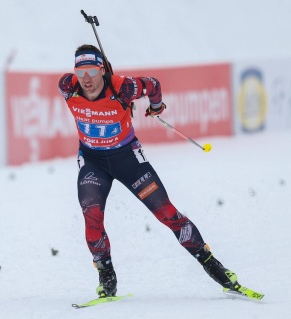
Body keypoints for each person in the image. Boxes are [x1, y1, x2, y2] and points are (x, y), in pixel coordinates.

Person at [58, 44, 241, 298]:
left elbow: (153, 84)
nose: (85, 79)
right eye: (80, 71)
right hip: (93, 162)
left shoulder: (122, 87)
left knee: (166, 212)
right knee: (91, 213)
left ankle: (214, 267)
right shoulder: (68, 86)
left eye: (90, 70)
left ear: (101, 69)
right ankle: (106, 278)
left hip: (127, 160)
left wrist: (157, 107)